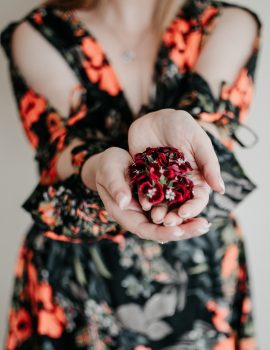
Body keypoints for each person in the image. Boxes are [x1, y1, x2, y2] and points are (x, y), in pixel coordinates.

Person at [0, 0, 261, 349]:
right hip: (77, 283)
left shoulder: (226, 23)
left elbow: (208, 123)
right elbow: (64, 149)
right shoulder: (39, 35)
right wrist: (94, 168)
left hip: (196, 281)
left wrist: (191, 140)